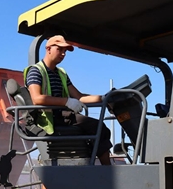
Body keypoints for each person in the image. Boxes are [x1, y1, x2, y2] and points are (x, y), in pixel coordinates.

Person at [24, 35, 113, 165]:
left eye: (65, 51)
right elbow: (37, 99)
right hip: (51, 118)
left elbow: (80, 96)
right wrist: (66, 102)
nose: (63, 54)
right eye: (60, 49)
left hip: (64, 115)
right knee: (99, 127)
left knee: (99, 129)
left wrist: (104, 98)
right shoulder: (36, 71)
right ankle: (107, 170)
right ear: (48, 49)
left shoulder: (62, 74)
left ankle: (91, 162)